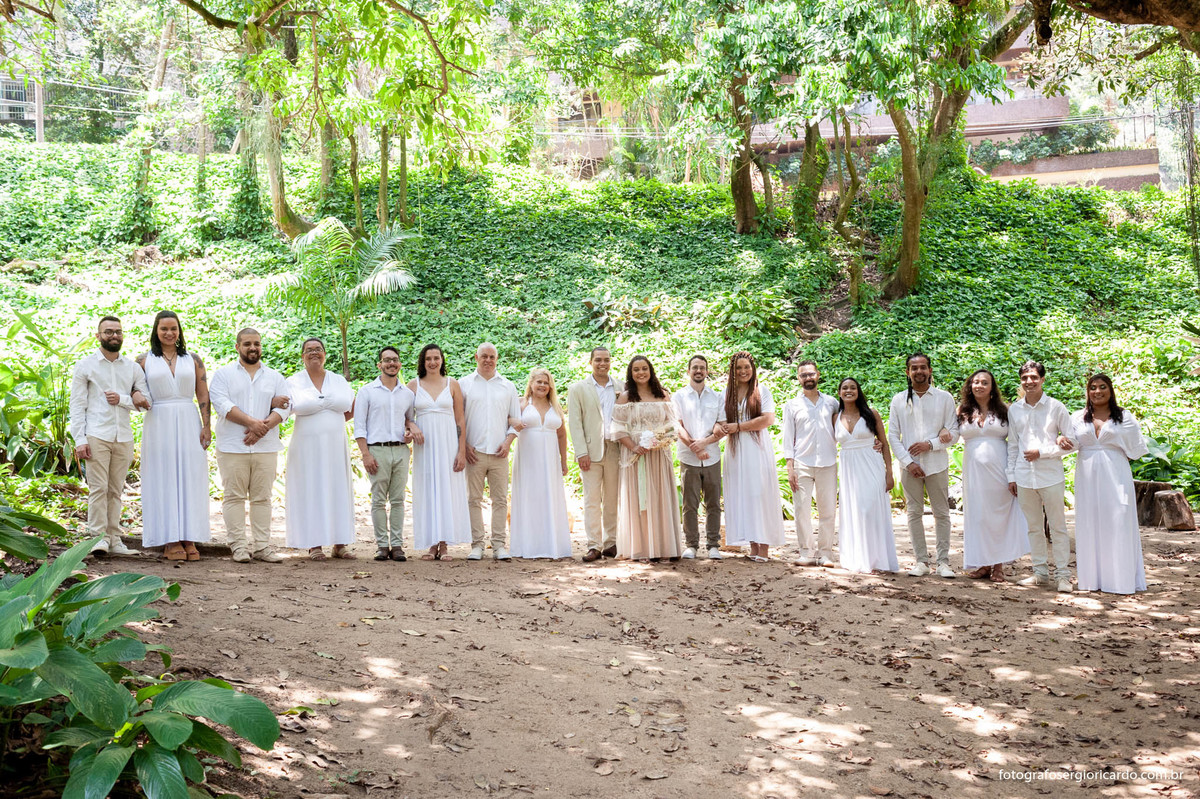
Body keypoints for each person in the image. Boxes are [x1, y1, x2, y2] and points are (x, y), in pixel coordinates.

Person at [68, 315, 150, 557]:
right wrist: (80, 439)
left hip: (123, 437)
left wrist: (123, 399)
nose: (114, 336)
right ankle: (97, 539)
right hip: (96, 434)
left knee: (115, 490)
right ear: (98, 336)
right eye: (108, 332)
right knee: (98, 489)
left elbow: (145, 403)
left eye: (118, 331)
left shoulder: (132, 367)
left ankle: (115, 539)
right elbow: (77, 405)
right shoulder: (86, 366)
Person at [208, 328, 291, 563]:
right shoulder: (223, 375)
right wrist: (252, 423)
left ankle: (263, 547)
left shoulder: (275, 376)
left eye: (256, 343)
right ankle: (238, 547)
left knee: (262, 498)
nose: (252, 348)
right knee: (233, 496)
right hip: (233, 446)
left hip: (266, 447)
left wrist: (262, 427)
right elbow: (222, 403)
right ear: (237, 347)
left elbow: (285, 406)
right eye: (247, 344)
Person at [137, 311, 211, 562]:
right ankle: (170, 538)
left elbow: (203, 394)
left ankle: (189, 536)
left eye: (174, 329)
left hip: (188, 418)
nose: (169, 333)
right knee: (163, 476)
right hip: (159, 420)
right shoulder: (143, 361)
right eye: (164, 329)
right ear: (156, 331)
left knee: (190, 476)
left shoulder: (193, 359)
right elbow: (135, 392)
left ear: (180, 331)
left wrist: (206, 426)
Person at [1068, 374, 1148, 594]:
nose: (1097, 391)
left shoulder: (1124, 416)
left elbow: (1136, 450)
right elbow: (1070, 442)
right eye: (1092, 387)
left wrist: (1112, 453)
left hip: (1115, 473)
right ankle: (1092, 581)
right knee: (1089, 522)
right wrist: (1059, 440)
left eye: (1103, 387)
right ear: (1088, 391)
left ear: (1111, 390)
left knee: (1118, 520)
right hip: (1086, 474)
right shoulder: (1078, 417)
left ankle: (1120, 581)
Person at [1007, 361, 1077, 593]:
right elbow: (1013, 446)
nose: (1029, 381)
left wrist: (1043, 452)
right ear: (1021, 380)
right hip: (1024, 477)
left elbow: (1072, 443)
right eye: (1025, 377)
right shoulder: (1014, 409)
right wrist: (1011, 476)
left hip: (1051, 476)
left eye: (1034, 377)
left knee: (1057, 527)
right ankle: (1040, 573)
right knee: (1033, 527)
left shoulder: (1056, 407)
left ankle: (1063, 576)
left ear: (1042, 379)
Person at [887, 353, 959, 578]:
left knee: (942, 512)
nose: (919, 371)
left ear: (930, 370)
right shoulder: (899, 400)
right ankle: (921, 561)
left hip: (936, 464)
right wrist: (908, 463)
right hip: (910, 467)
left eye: (923, 367)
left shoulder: (944, 398)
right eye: (914, 368)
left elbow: (954, 433)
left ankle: (944, 562)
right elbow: (892, 436)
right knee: (914, 512)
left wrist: (930, 444)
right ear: (907, 372)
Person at [285, 338, 356, 560]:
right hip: (307, 448)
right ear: (302, 356)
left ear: (325, 354)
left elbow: (351, 408)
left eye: (318, 349)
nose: (314, 353)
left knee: (337, 488)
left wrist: (330, 423)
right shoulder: (292, 382)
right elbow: (282, 410)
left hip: (335, 445)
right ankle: (314, 544)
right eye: (309, 350)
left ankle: (340, 543)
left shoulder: (337, 380)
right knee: (311, 489)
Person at [956, 369, 1028, 583]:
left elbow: (1017, 439)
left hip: (999, 469)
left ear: (991, 387)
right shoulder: (962, 410)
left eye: (984, 382)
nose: (979, 385)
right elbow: (950, 432)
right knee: (979, 516)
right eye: (975, 382)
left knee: (999, 516)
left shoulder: (1005, 410)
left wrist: (1014, 473)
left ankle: (998, 565)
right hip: (974, 472)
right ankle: (984, 563)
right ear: (970, 386)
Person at [716, 351, 784, 562]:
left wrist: (738, 426)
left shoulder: (761, 391)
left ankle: (763, 547)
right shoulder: (726, 394)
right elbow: (719, 421)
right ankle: (753, 546)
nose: (743, 371)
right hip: (736, 451)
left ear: (753, 368)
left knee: (758, 493)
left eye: (746, 367)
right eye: (738, 368)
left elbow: (767, 419)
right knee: (743, 494)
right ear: (732, 371)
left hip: (757, 448)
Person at [612, 356, 681, 561]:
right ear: (630, 374)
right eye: (636, 370)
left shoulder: (663, 395)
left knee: (659, 497)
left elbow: (672, 425)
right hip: (635, 455)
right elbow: (617, 428)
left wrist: (660, 440)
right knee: (639, 498)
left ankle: (663, 547)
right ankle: (642, 548)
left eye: (644, 368)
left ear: (650, 371)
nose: (641, 373)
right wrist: (634, 447)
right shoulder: (625, 398)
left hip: (659, 455)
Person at [353, 346, 417, 562]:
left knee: (398, 499)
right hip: (376, 450)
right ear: (379, 364)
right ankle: (382, 545)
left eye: (395, 360)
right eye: (387, 360)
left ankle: (397, 545)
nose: (391, 363)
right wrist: (365, 454)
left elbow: (409, 420)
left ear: (399, 364)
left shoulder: (407, 394)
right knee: (379, 500)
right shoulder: (367, 391)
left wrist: (409, 433)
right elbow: (359, 426)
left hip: (400, 450)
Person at [460, 343, 522, 561]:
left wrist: (508, 442)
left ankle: (498, 546)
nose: (488, 360)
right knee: (473, 500)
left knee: (500, 500)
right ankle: (477, 545)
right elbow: (458, 420)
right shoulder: (464, 385)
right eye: (484, 356)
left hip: (499, 453)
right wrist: (464, 445)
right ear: (476, 357)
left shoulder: (508, 386)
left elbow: (516, 421)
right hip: (473, 453)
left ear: (497, 358)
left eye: (492, 356)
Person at [408, 344, 470, 560]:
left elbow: (460, 419)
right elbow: (405, 416)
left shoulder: (452, 384)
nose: (432, 362)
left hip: (448, 444)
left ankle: (444, 544)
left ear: (442, 360)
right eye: (428, 359)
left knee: (446, 489)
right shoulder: (413, 385)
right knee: (428, 489)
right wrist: (411, 425)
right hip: (425, 446)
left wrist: (461, 451)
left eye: (436, 358)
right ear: (422, 362)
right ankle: (431, 544)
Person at [833, 378, 898, 574]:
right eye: (845, 388)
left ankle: (878, 560)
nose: (849, 391)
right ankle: (857, 558)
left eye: (853, 387)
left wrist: (889, 472)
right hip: (849, 468)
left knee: (871, 509)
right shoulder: (835, 417)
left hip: (871, 465)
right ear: (839, 393)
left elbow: (883, 443)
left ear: (859, 391)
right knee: (854, 511)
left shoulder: (871, 414)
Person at [782, 361, 840, 568]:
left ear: (818, 375)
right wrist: (790, 468)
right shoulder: (791, 405)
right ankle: (806, 552)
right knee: (802, 510)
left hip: (827, 462)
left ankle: (825, 553)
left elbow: (847, 424)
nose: (808, 378)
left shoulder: (832, 402)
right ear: (798, 378)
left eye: (811, 374)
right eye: (803, 375)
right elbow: (788, 439)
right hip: (802, 463)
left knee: (828, 511)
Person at [510, 368, 572, 560]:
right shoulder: (521, 404)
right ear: (531, 383)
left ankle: (551, 545)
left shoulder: (555, 407)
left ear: (550, 386)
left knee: (549, 497)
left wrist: (564, 460)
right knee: (530, 497)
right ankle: (529, 546)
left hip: (550, 460)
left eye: (546, 383)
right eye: (539, 382)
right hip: (528, 459)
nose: (542, 386)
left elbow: (562, 435)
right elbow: (508, 423)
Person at [568, 347, 623, 563]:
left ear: (610, 362)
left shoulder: (620, 386)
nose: (603, 363)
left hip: (615, 448)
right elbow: (575, 422)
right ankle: (594, 545)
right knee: (592, 499)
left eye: (606, 360)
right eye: (598, 360)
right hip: (590, 451)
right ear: (591, 362)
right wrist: (581, 451)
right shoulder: (578, 389)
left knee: (612, 498)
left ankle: (611, 543)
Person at [672, 355, 725, 560]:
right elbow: (677, 426)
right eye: (695, 367)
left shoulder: (716, 396)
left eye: (702, 368)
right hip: (688, 458)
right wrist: (695, 447)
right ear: (688, 371)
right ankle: (691, 545)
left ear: (707, 371)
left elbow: (721, 425)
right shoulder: (679, 397)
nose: (698, 371)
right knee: (689, 504)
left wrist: (705, 443)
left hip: (712, 457)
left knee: (713, 503)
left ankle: (713, 545)